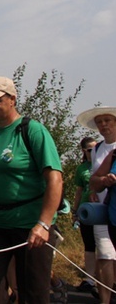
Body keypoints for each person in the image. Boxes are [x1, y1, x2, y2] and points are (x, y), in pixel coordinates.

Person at [0, 76, 63, 304]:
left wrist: (43, 224)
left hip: (30, 226)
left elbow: (55, 178)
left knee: (33, 293)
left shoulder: (32, 130)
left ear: (12, 99)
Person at [81, 106, 116, 303]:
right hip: (100, 211)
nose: (103, 125)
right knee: (104, 254)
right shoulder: (96, 149)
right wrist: (95, 190)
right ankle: (104, 300)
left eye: (107, 120)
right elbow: (94, 176)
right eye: (99, 122)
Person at [72, 136, 98, 295]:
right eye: (90, 150)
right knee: (89, 245)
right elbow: (78, 191)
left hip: (101, 210)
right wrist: (75, 212)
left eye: (95, 149)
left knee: (105, 247)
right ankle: (90, 278)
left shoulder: (103, 164)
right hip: (86, 210)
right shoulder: (82, 169)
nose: (93, 152)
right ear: (84, 151)